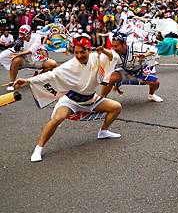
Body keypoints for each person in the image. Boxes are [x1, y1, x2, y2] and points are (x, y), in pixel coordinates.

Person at [12, 34, 122, 162]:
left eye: (82, 52)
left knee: (116, 108)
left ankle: (103, 131)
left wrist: (103, 50)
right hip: (71, 100)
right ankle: (38, 148)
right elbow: (51, 75)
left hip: (91, 99)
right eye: (76, 52)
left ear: (89, 50)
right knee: (58, 118)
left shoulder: (96, 57)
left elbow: (113, 57)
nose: (79, 56)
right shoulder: (70, 65)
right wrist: (28, 80)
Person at [105, 32, 163, 102]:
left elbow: (154, 49)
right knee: (110, 78)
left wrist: (145, 55)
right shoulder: (114, 52)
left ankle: (151, 95)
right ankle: (102, 98)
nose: (114, 48)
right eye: (113, 46)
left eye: (116, 46)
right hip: (124, 71)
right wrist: (102, 50)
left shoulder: (135, 46)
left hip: (139, 72)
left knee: (155, 82)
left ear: (124, 44)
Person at [0, 25, 58, 91]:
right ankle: (12, 82)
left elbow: (32, 50)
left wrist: (18, 54)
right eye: (20, 34)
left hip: (36, 60)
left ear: (30, 33)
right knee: (16, 60)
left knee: (53, 64)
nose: (21, 36)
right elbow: (13, 49)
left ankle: (36, 78)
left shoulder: (37, 37)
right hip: (25, 60)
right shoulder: (20, 38)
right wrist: (2, 56)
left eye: (23, 34)